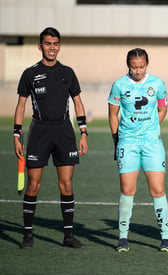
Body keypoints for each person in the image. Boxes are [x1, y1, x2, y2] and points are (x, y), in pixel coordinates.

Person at [13, 27, 88, 249]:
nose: (52, 47)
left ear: (59, 46)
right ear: (40, 46)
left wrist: (83, 132)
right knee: (33, 185)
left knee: (66, 185)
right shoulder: (29, 73)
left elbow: (78, 102)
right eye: (47, 43)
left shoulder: (68, 72)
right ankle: (27, 235)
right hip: (39, 133)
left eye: (55, 43)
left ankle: (68, 236)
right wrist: (17, 134)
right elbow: (21, 105)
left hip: (64, 132)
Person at [108, 48, 168, 253]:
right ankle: (123, 238)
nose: (138, 71)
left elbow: (162, 108)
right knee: (127, 190)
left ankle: (165, 238)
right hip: (128, 143)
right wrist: (117, 140)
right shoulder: (119, 85)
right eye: (134, 67)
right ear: (128, 66)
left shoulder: (157, 84)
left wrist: (152, 127)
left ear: (147, 65)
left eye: (141, 67)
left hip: (152, 142)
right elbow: (113, 114)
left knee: (158, 190)